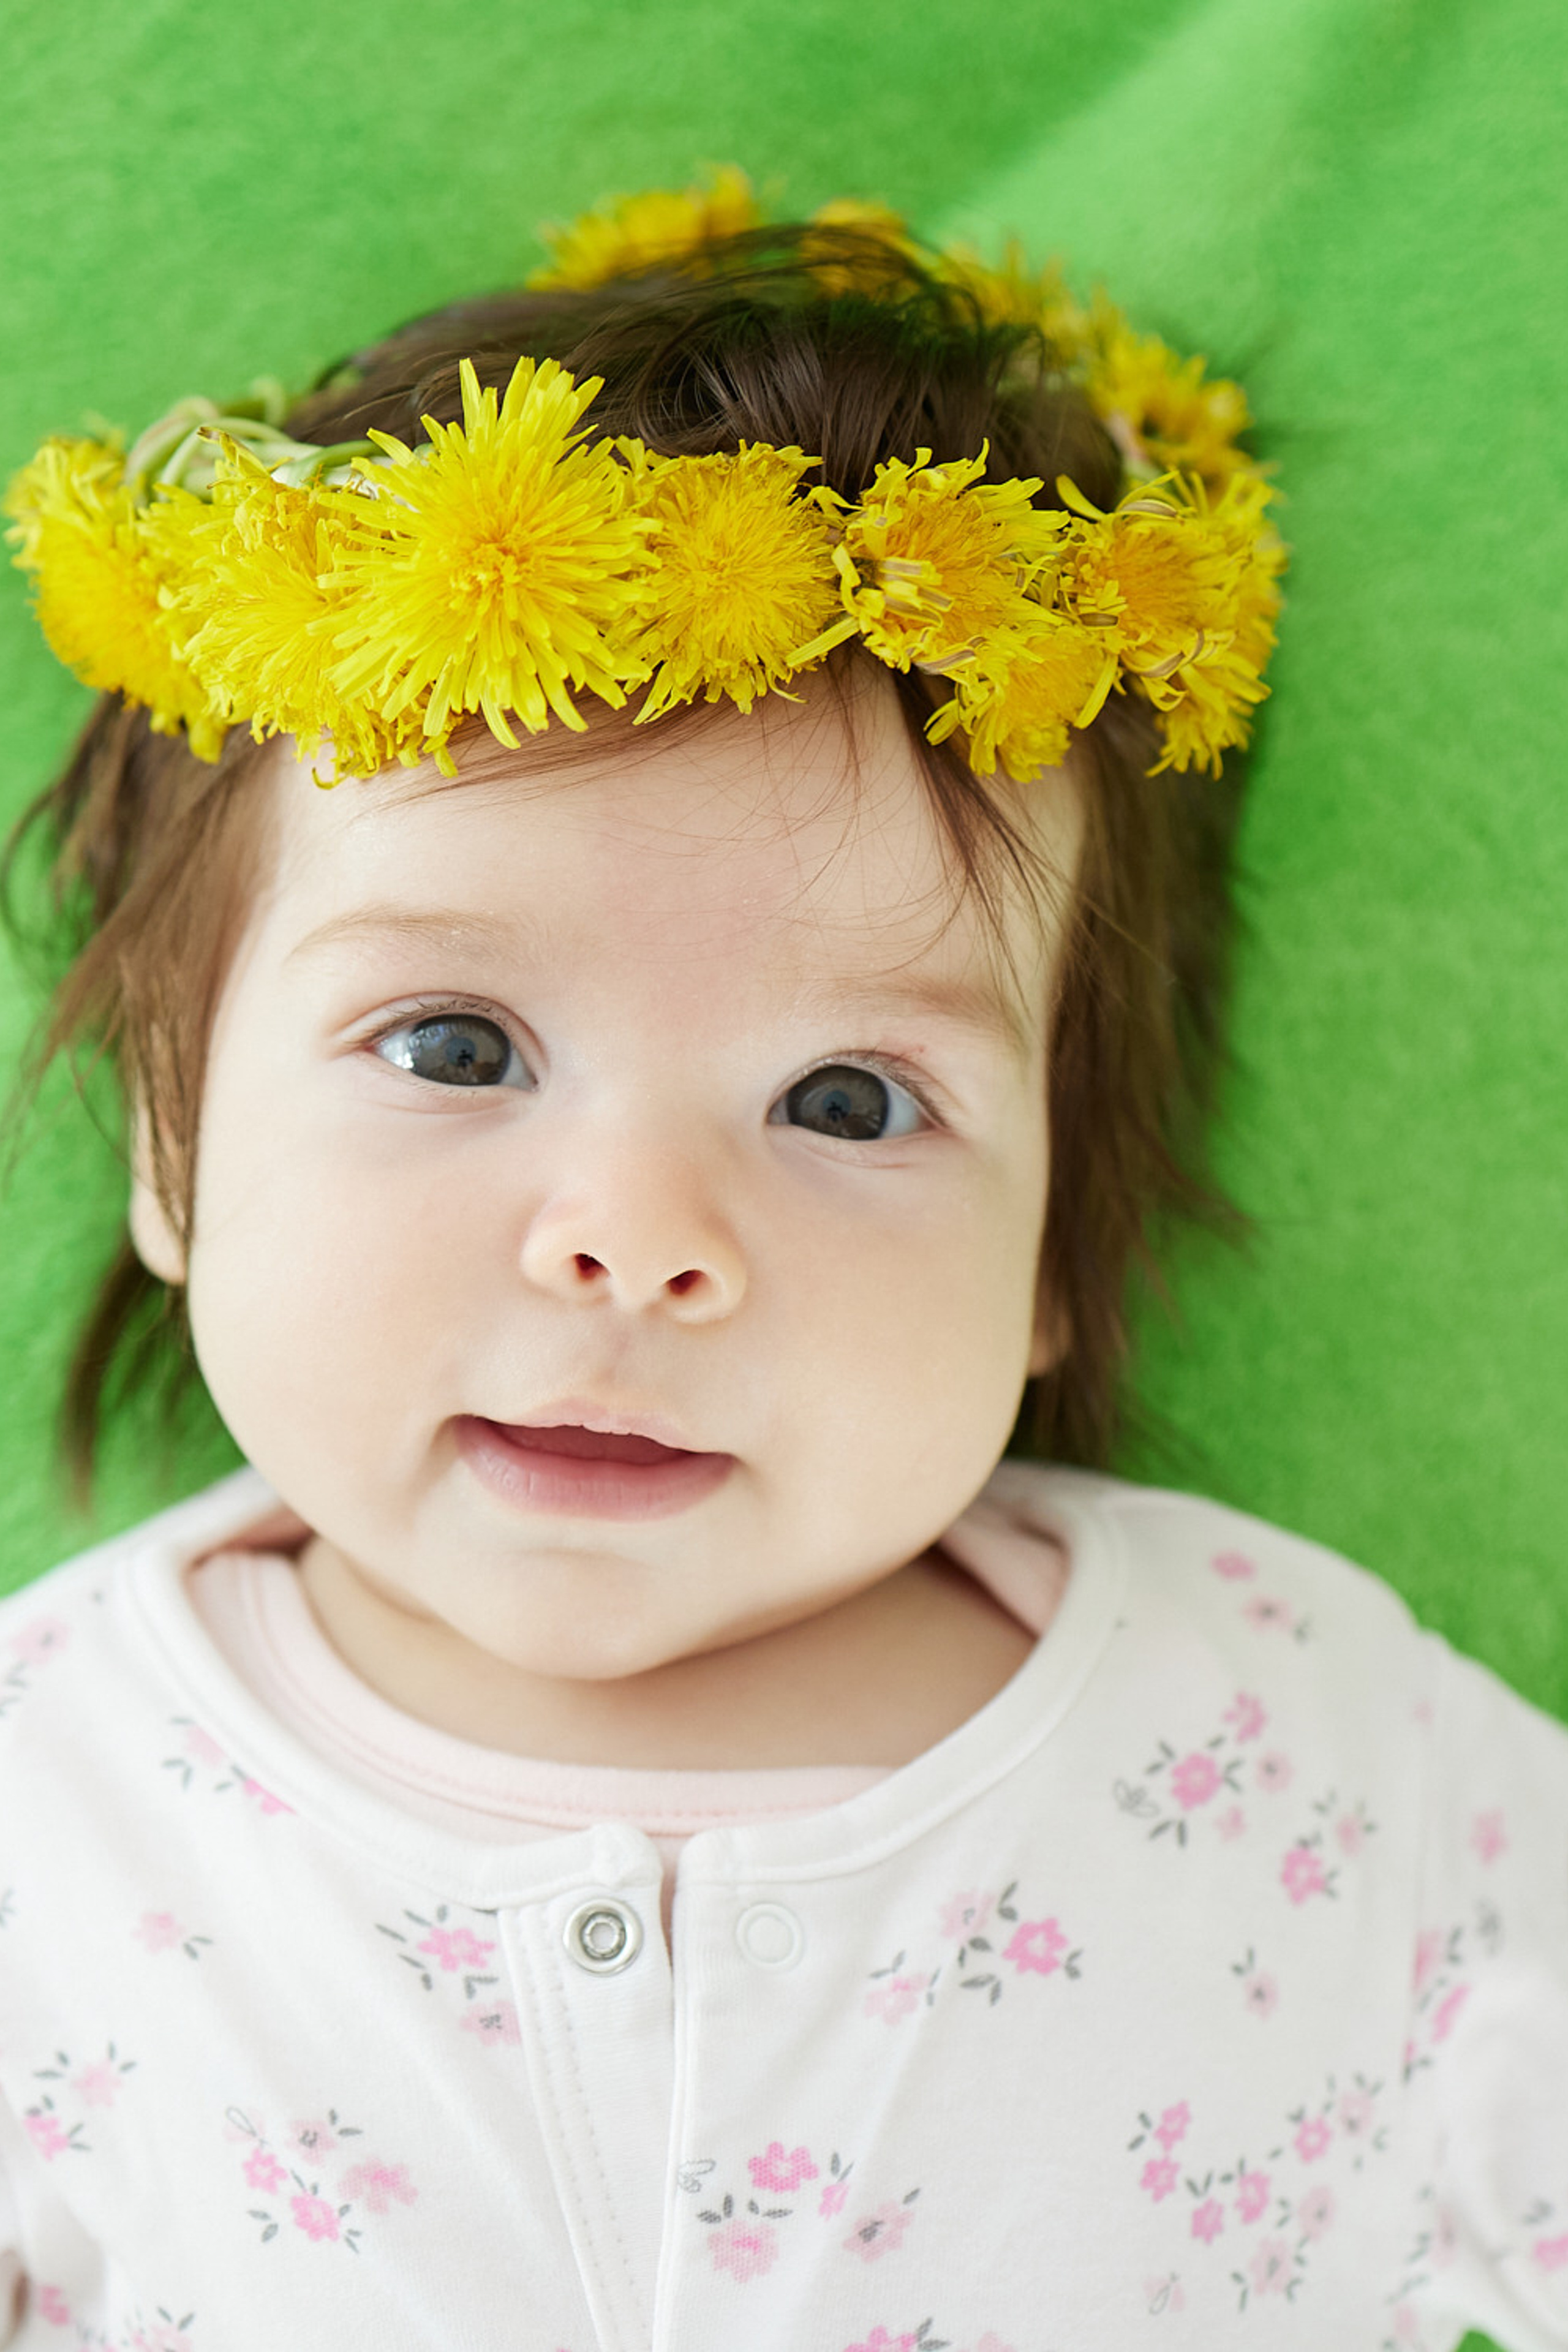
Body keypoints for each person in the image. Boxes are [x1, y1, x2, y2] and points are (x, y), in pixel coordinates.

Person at [0, 176, 1561, 2352]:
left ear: (1053, 1247)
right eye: (455, 1049)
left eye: (847, 1103)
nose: (638, 1240)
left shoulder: (1315, 1753)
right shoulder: (50, 1808)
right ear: (174, 1141)